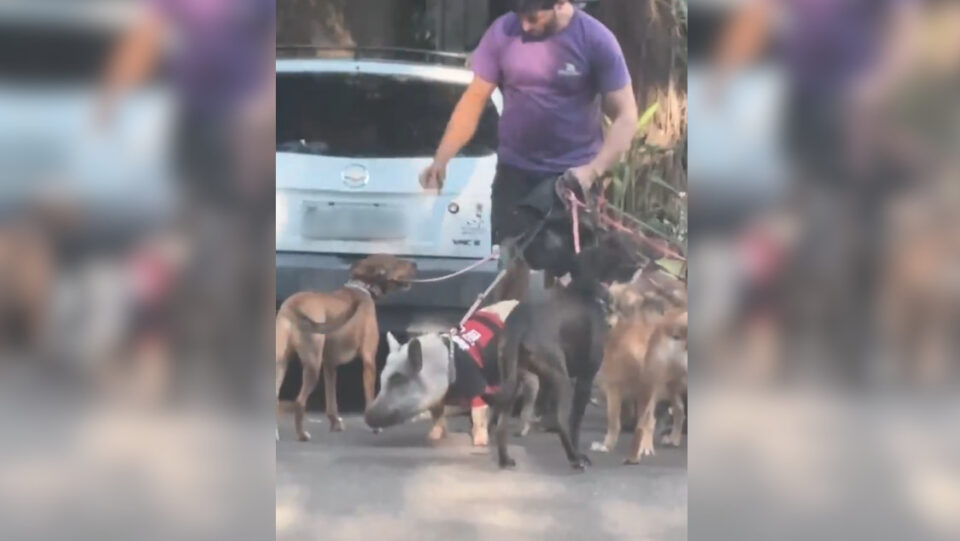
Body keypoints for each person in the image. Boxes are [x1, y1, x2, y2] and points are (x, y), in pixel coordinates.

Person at [420, 0, 638, 301]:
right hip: (515, 177)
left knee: (569, 285)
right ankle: (507, 339)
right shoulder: (501, 33)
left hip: (571, 183)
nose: (523, 26)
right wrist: (441, 159)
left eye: (532, 17)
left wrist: (592, 171)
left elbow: (627, 116)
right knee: (510, 274)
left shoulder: (595, 40)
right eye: (518, 15)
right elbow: (474, 101)